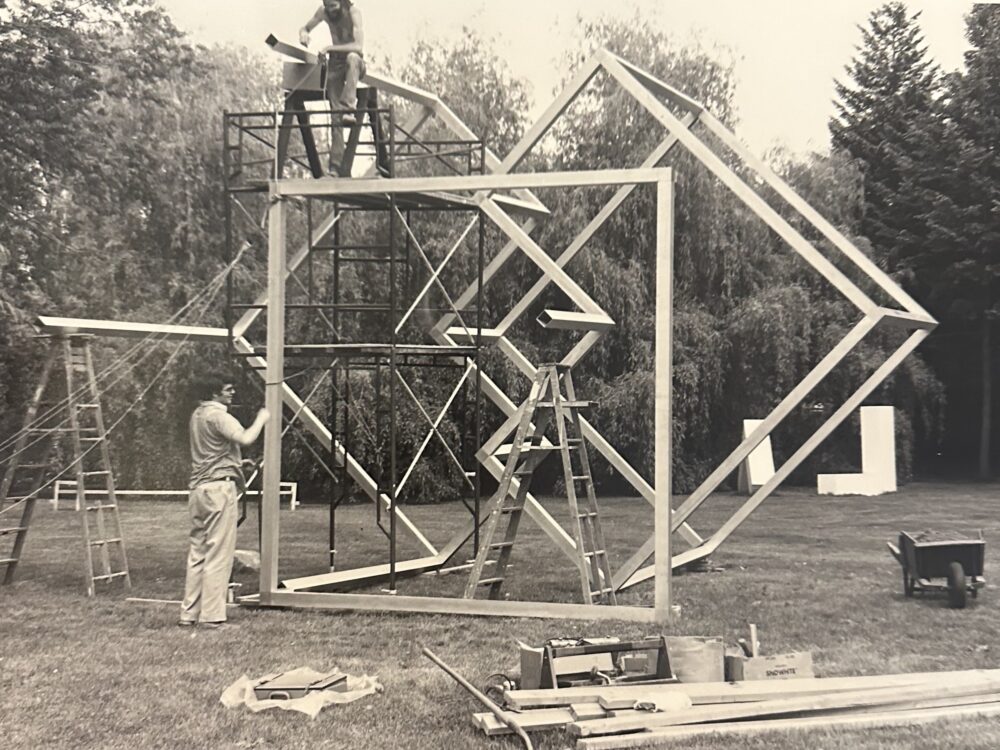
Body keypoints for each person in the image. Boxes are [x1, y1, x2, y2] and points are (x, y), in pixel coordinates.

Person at [179, 374, 269, 628]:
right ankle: (212, 617)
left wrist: (238, 463)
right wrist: (262, 418)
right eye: (227, 390)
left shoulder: (197, 415)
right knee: (219, 553)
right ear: (215, 392)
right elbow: (245, 438)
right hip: (219, 490)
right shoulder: (218, 415)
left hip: (199, 489)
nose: (232, 394)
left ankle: (189, 614)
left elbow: (214, 450)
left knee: (198, 552)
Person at [299, 0, 365, 176]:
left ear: (342, 3)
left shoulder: (353, 13)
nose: (331, 10)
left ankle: (349, 109)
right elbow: (305, 27)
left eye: (334, 6)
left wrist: (329, 47)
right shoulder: (324, 12)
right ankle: (335, 167)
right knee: (335, 116)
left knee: (352, 57)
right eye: (328, 6)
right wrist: (304, 34)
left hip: (355, 63)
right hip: (335, 63)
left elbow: (358, 47)